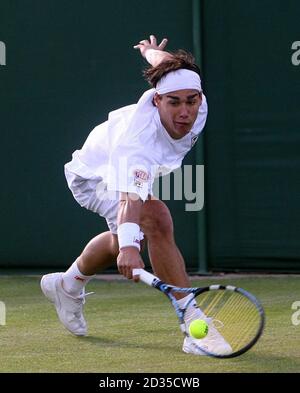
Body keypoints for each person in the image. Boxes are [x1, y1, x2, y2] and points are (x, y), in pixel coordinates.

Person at [41, 35, 231, 355]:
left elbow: (170, 66)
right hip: (93, 177)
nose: (185, 111)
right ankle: (193, 322)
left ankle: (67, 284)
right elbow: (130, 199)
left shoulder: (194, 101)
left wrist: (151, 52)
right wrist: (130, 247)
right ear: (157, 101)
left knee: (120, 239)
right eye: (175, 102)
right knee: (154, 220)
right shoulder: (138, 143)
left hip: (128, 173)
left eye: (192, 100)